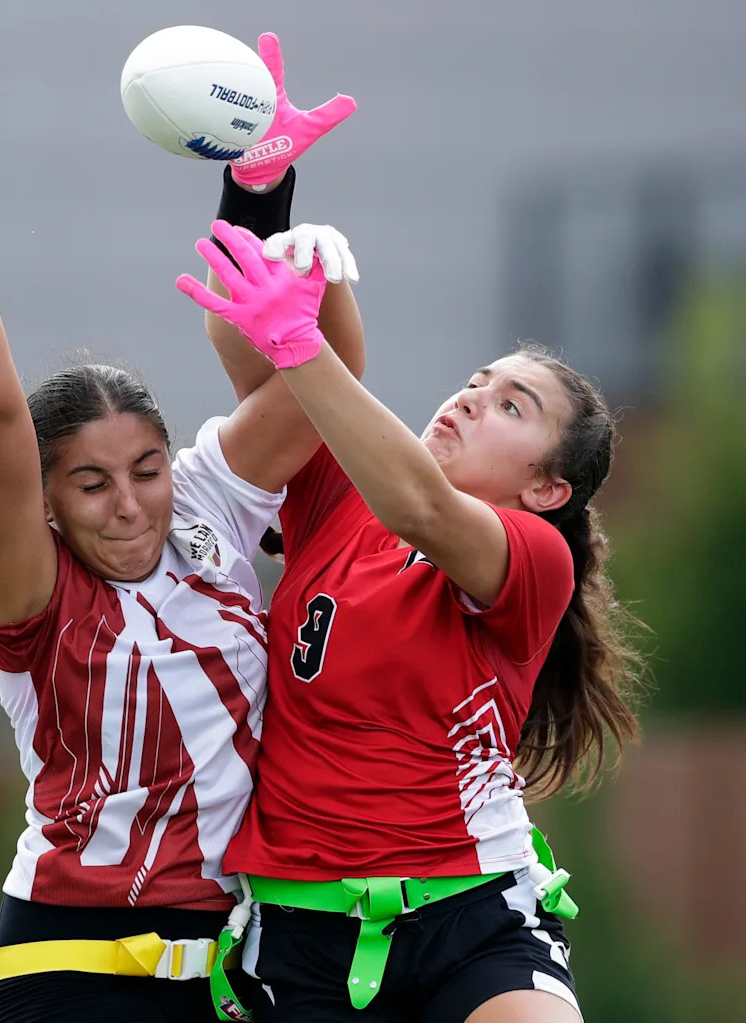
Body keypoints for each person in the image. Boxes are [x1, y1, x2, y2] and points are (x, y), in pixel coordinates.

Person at [0, 41, 360, 1023]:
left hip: (226, 970)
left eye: (145, 471)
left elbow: (319, 383)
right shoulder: (28, 596)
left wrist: (263, 191)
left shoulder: (208, 503)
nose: (129, 503)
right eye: (90, 483)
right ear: (45, 502)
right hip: (63, 962)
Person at [178, 207, 644, 1020]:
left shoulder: (537, 558)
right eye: (474, 382)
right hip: (299, 929)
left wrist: (304, 338)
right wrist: (259, 184)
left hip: (469, 914)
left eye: (511, 406)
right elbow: (260, 365)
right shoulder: (341, 497)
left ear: (547, 490)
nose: (469, 400)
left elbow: (421, 505)